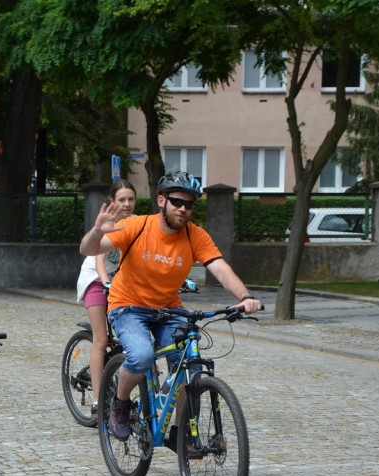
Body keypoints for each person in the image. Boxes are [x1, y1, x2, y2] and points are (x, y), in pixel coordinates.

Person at [79, 171, 263, 440]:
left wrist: (245, 297)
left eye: (189, 204)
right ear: (162, 200)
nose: (183, 209)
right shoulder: (136, 226)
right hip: (128, 306)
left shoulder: (195, 236)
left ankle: (182, 433)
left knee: (190, 363)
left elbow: (220, 268)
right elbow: (87, 249)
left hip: (168, 309)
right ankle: (120, 403)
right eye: (177, 202)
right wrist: (96, 232)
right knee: (141, 356)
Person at [75, 180, 134, 415]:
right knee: (100, 339)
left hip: (120, 282)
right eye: (122, 200)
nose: (127, 204)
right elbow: (99, 257)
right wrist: (106, 281)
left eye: (130, 199)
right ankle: (99, 400)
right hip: (95, 279)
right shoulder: (109, 223)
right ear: (113, 202)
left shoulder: (138, 222)